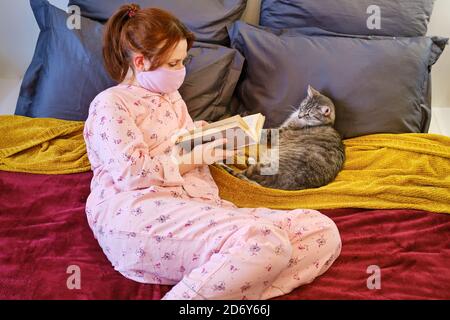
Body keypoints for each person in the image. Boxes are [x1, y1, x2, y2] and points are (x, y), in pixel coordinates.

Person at [83, 3, 342, 300]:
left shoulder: (171, 98)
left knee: (321, 232)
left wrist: (213, 138)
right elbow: (133, 174)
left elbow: (183, 142)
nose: (181, 71)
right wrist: (192, 157)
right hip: (141, 214)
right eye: (172, 64)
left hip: (199, 209)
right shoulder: (110, 103)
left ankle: (226, 282)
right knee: (265, 240)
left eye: (183, 62)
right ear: (140, 62)